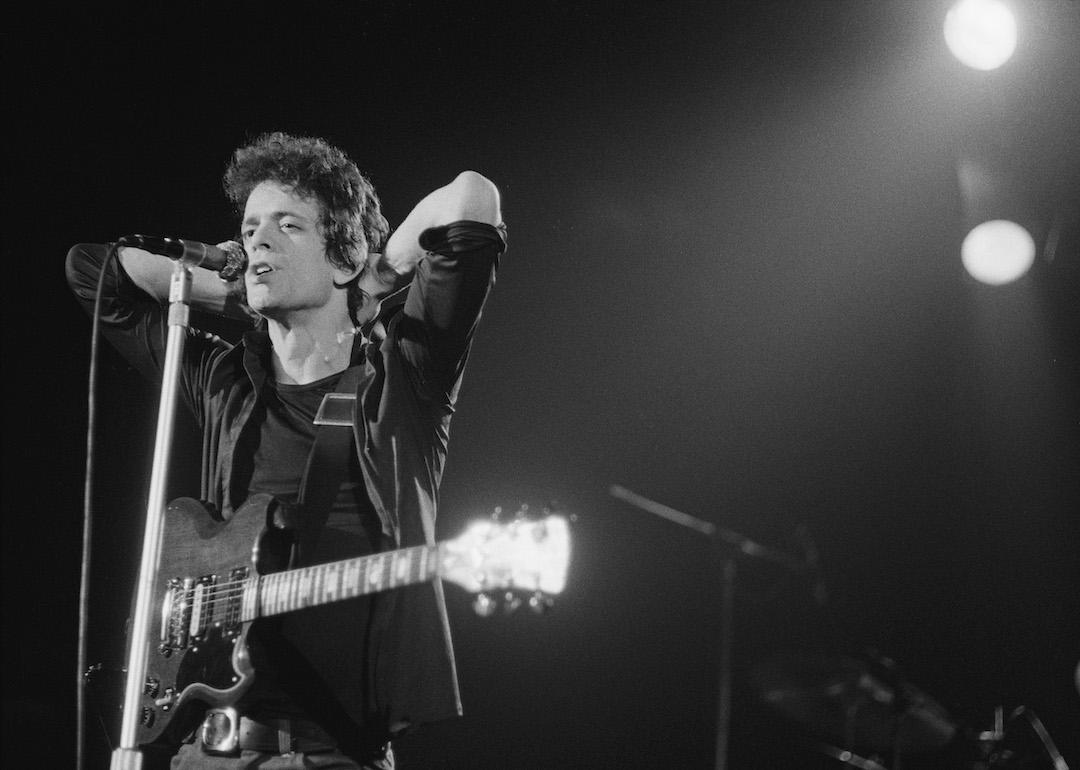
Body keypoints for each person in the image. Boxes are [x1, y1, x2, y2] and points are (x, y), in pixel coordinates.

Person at [66, 131, 505, 769]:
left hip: (330, 752)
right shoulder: (222, 380)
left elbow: (471, 196)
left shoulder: (405, 375)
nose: (256, 242)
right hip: (206, 748)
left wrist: (377, 276)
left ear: (344, 254)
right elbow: (92, 270)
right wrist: (234, 295)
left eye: (287, 225)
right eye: (249, 230)